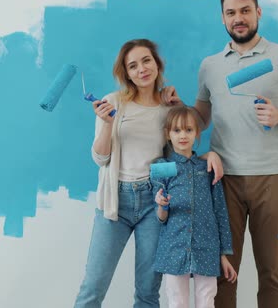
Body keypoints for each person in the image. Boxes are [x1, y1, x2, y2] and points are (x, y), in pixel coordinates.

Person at [164, 0, 278, 308]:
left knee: (272, 272)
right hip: (221, 182)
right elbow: (202, 120)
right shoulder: (211, 66)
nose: (239, 18)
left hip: (272, 179)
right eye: (231, 13)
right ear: (223, 19)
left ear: (258, 12)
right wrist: (181, 107)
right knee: (221, 272)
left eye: (245, 10)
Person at [74, 39, 223, 308]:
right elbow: (100, 158)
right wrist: (108, 124)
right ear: (126, 73)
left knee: (147, 292)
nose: (141, 69)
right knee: (93, 288)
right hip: (115, 202)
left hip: (155, 203)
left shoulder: (168, 108)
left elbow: (185, 146)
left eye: (146, 61)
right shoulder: (112, 103)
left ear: (157, 64)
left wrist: (207, 156)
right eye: (133, 66)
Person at [151, 105, 237, 308]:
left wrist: (223, 255)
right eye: (177, 130)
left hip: (207, 247)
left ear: (197, 133)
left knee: (207, 298)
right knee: (177, 301)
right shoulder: (161, 167)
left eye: (188, 130)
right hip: (174, 247)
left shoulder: (207, 167)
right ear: (168, 134)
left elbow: (220, 212)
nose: (183, 135)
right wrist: (161, 205)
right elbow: (160, 218)